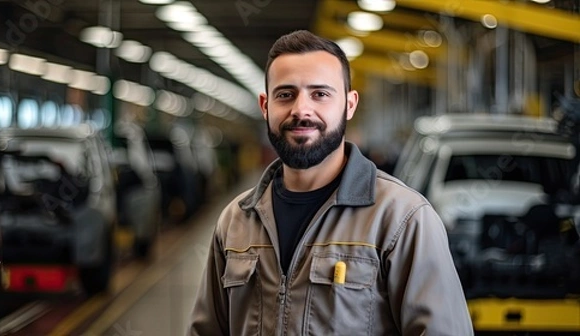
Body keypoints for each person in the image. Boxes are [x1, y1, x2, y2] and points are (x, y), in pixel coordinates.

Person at [187, 30, 474, 335]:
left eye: (320, 94)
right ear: (265, 105)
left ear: (349, 105)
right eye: (285, 94)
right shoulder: (235, 221)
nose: (301, 110)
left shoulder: (401, 219)